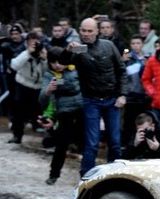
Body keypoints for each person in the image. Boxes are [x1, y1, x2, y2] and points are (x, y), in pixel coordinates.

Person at [59, 17, 127, 177]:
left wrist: (122, 94)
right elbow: (61, 62)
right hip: (91, 100)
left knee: (115, 142)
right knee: (92, 143)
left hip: (112, 99)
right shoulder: (79, 49)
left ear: (97, 31)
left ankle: (115, 175)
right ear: (79, 31)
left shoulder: (108, 46)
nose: (86, 34)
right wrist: (68, 50)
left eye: (90, 31)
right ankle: (86, 176)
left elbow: (121, 70)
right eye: (83, 30)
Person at [39, 47, 83, 184]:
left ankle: (86, 176)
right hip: (64, 112)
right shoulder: (49, 75)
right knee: (61, 145)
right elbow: (42, 99)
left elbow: (77, 86)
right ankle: (54, 174)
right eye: (53, 62)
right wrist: (48, 90)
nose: (57, 65)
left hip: (82, 109)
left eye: (59, 61)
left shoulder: (74, 68)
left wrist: (62, 84)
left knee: (86, 144)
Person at [8, 31, 47, 144]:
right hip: (23, 84)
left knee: (38, 110)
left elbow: (48, 71)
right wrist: (27, 53)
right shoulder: (22, 51)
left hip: (38, 86)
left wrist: (44, 59)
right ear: (27, 43)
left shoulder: (44, 51)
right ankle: (17, 135)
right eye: (32, 42)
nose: (34, 45)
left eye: (36, 42)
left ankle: (40, 132)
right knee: (19, 112)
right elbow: (14, 65)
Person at [122, 34, 148, 146]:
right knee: (129, 123)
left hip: (144, 96)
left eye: (138, 43)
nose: (135, 46)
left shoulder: (148, 58)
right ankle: (128, 145)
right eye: (133, 43)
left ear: (142, 44)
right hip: (131, 96)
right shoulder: (127, 58)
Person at [0, 25, 26, 126]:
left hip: (24, 74)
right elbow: (5, 60)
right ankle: (13, 119)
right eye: (12, 34)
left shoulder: (25, 44)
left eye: (16, 34)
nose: (14, 36)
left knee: (23, 98)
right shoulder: (6, 45)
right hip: (11, 75)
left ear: (20, 34)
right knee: (12, 98)